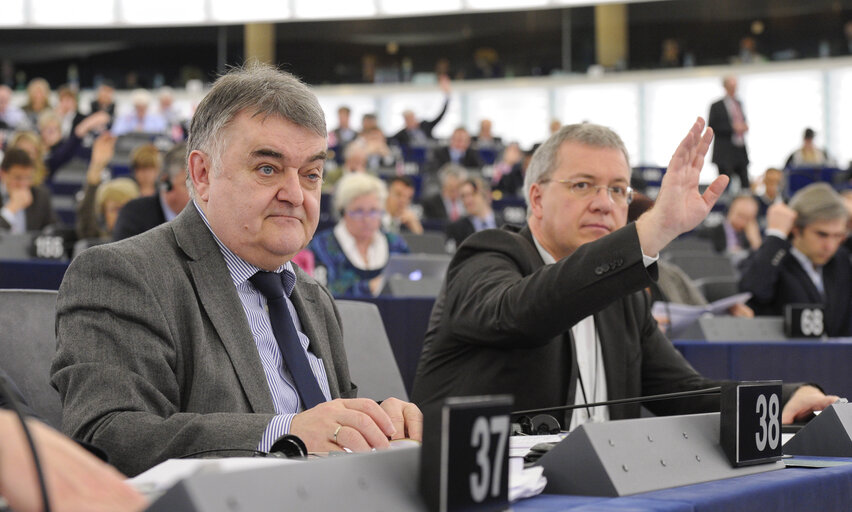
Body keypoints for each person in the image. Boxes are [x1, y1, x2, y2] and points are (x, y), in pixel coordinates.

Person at [52, 63, 421, 478]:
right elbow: (107, 436)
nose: (296, 194)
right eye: (268, 169)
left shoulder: (315, 298)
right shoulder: (121, 275)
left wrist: (377, 428)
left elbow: (329, 431)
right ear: (202, 175)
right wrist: (286, 435)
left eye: (311, 174)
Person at [411, 119, 834, 429]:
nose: (605, 203)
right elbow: (525, 313)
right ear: (536, 199)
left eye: (617, 189)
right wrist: (649, 232)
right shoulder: (488, 254)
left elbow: (682, 391)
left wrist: (782, 398)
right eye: (583, 185)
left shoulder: (625, 295)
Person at [739, 183, 852, 336]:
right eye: (822, 234)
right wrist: (776, 236)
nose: (830, 246)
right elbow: (752, 292)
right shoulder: (773, 258)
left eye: (838, 236)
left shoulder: (840, 260)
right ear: (796, 228)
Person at [310, 173, 409, 297]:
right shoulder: (321, 246)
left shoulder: (396, 244)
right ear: (342, 211)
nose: (367, 219)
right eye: (358, 211)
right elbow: (320, 294)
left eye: (373, 211)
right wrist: (370, 287)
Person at [112, 143, 190, 241]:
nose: (199, 193)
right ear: (166, 183)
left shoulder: (207, 219)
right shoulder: (133, 215)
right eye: (188, 185)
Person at [76, 133, 140, 240]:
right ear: (104, 214)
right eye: (115, 209)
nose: (121, 215)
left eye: (125, 209)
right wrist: (97, 166)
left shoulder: (146, 244)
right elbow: (86, 217)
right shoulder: (97, 240)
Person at [0, 148, 59, 233]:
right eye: (18, 178)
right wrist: (11, 209)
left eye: (28, 178)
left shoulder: (40, 196)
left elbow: (55, 230)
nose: (23, 184)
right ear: (3, 174)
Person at [708, 75, 750, 191]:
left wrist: (744, 126)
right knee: (725, 184)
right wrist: (733, 128)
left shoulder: (739, 103)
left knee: (745, 182)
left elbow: (742, 120)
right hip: (724, 152)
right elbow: (712, 126)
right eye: (731, 86)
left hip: (739, 150)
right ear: (725, 87)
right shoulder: (716, 106)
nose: (734, 89)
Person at [697, 194, 763, 264]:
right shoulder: (711, 233)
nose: (743, 221)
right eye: (740, 215)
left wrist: (756, 242)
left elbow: (760, 264)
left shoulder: (752, 237)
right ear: (730, 210)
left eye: (749, 218)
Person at [390, 75, 451, 148]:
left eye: (411, 118)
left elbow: (440, 116)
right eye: (408, 119)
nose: (411, 121)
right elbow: (389, 140)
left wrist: (447, 96)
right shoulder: (402, 134)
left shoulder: (425, 125)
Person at [445, 176, 501, 249]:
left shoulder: (505, 223)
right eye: (463, 196)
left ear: (487, 194)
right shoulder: (456, 229)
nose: (467, 200)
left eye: (472, 194)